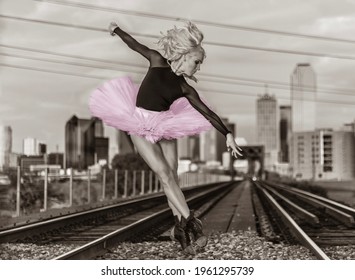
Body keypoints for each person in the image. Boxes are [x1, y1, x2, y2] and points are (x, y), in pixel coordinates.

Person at [89, 21, 242, 255]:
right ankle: (192, 224)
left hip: (164, 124)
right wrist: (116, 30)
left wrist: (228, 134)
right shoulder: (157, 61)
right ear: (185, 54)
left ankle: (180, 228)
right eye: (197, 62)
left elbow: (208, 113)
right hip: (139, 125)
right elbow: (134, 45)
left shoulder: (184, 88)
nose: (199, 67)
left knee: (173, 176)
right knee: (164, 175)